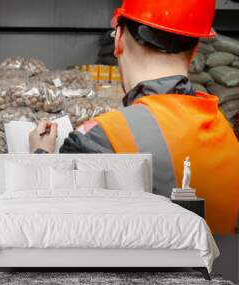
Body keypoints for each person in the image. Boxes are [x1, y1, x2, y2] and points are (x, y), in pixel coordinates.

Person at [29, 0, 239, 234]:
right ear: (195, 51)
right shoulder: (225, 130)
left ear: (118, 40)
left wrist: (40, 157)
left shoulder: (100, 137)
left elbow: (52, 229)